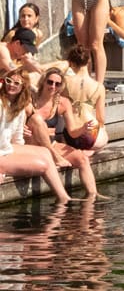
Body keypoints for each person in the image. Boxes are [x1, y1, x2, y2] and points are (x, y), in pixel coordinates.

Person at [0, 67, 72, 204]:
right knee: (43, 165)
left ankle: (64, 197)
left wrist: (24, 156)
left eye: (17, 83)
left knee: (45, 151)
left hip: (6, 147)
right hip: (1, 152)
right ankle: (63, 201)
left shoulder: (19, 107)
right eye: (8, 81)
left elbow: (17, 138)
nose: (11, 85)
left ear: (23, 87)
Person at [31, 65, 100, 198]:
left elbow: (73, 131)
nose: (53, 86)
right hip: (32, 144)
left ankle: (93, 197)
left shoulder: (63, 103)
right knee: (36, 120)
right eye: (50, 82)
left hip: (52, 144)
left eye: (57, 84)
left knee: (82, 159)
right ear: (43, 81)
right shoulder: (30, 99)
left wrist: (83, 128)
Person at [59, 45, 107, 151]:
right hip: (93, 136)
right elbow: (101, 119)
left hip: (72, 134)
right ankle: (90, 151)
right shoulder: (99, 87)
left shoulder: (65, 82)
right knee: (102, 135)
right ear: (88, 61)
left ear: (71, 63)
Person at [0, 3, 43, 81]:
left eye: (29, 16)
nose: (26, 19)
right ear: (16, 43)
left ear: (36, 18)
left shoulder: (38, 34)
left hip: (19, 66)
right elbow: (10, 66)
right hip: (7, 69)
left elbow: (28, 57)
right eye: (23, 16)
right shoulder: (12, 36)